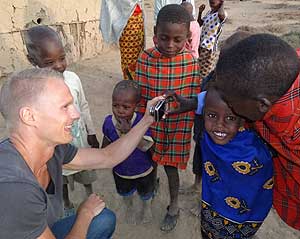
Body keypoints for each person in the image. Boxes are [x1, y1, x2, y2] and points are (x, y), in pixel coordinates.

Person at [0, 68, 163, 238]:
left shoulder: (52, 148)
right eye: (65, 107)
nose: (76, 114)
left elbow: (107, 156)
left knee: (103, 219)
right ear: (29, 116)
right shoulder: (13, 189)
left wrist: (147, 120)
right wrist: (85, 213)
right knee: (97, 217)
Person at [167, 33, 300, 231]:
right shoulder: (277, 77)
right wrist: (195, 103)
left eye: (231, 105)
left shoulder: (292, 134)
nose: (228, 108)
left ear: (262, 105)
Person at [135, 4, 201, 232]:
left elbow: (193, 100)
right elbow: (140, 94)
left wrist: (179, 112)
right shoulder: (144, 59)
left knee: (171, 167)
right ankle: (151, 187)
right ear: (155, 33)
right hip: (150, 123)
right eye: (163, 38)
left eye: (177, 39)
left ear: (188, 37)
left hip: (177, 126)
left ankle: (173, 206)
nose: (170, 45)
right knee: (150, 159)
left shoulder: (191, 63)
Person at [24, 25, 99, 216]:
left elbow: (83, 106)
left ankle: (89, 195)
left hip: (79, 142)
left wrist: (91, 132)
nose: (58, 65)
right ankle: (67, 204)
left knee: (85, 173)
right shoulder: (34, 90)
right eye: (49, 62)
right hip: (55, 150)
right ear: (33, 60)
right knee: (60, 179)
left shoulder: (73, 79)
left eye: (62, 58)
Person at [198, 87, 273, 239]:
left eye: (230, 118)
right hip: (211, 206)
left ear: (242, 120)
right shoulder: (205, 138)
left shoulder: (258, 154)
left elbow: (265, 188)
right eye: (212, 115)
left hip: (244, 220)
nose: (220, 125)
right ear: (203, 113)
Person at [101, 80, 156, 224]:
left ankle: (147, 208)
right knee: (125, 192)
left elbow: (146, 146)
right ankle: (129, 207)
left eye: (126, 107)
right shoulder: (108, 122)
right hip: (121, 170)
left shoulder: (143, 121)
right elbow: (105, 142)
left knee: (146, 193)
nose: (120, 110)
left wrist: (130, 132)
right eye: (115, 105)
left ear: (136, 106)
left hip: (143, 170)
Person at [100, 0, 145, 79]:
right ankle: (130, 83)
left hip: (137, 19)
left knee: (137, 55)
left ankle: (133, 81)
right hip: (129, 22)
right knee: (129, 58)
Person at [198, 0, 227, 78]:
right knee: (199, 70)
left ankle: (205, 88)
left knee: (205, 73)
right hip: (202, 45)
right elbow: (199, 23)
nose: (211, 0)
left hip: (209, 48)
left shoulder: (221, 14)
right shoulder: (209, 13)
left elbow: (221, 15)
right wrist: (200, 12)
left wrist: (223, 3)